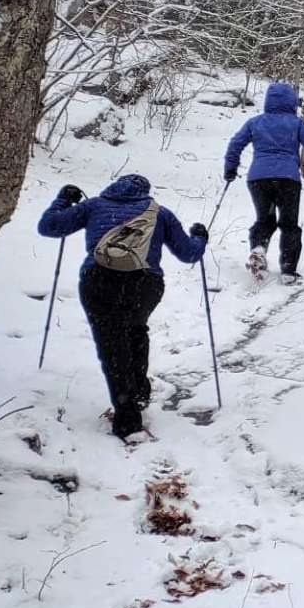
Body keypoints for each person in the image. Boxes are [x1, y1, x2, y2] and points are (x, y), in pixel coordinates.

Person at [37, 175, 209, 441]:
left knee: (112, 345)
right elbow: (189, 254)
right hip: (145, 285)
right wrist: (199, 237)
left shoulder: (94, 206)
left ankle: (128, 420)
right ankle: (138, 394)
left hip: (99, 282)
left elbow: (49, 227)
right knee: (135, 329)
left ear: (113, 188)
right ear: (145, 192)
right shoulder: (160, 214)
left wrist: (63, 200)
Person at [223, 81, 304, 283]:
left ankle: (258, 249)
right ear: (291, 102)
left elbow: (236, 144)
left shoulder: (255, 122)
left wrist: (230, 168)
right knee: (289, 225)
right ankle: (288, 271)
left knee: (265, 220)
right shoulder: (296, 123)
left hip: (259, 179)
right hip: (287, 180)